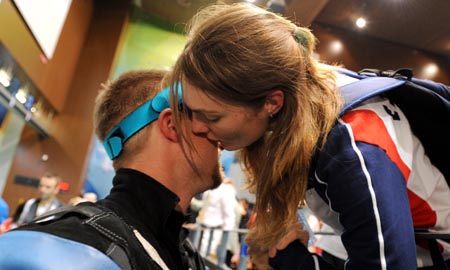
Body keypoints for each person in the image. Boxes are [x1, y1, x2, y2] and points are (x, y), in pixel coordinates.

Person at [167, 3, 450, 269]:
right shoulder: (296, 106)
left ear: (272, 103)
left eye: (213, 117)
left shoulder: (353, 145)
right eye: (192, 112)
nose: (197, 127)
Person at [0, 70, 223, 269]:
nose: (221, 136)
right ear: (172, 125)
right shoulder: (72, 249)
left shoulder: (185, 256)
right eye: (208, 117)